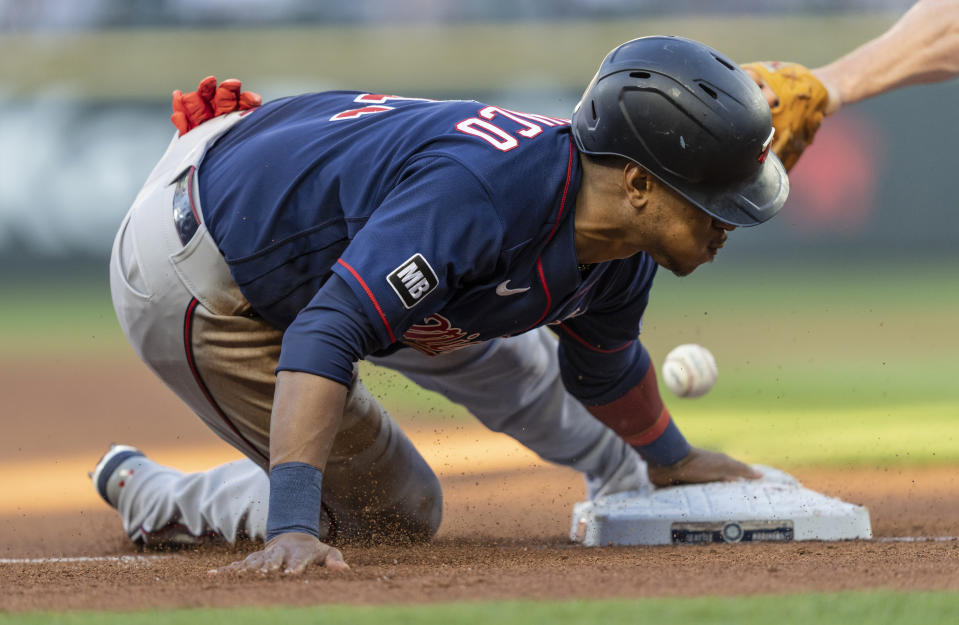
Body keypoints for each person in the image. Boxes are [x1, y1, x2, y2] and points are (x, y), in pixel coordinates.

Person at [94, 0, 959, 575]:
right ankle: (155, 492)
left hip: (308, 198)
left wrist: (670, 458)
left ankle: (631, 478)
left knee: (529, 374)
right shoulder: (483, 200)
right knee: (396, 511)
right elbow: (328, 331)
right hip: (210, 268)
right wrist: (290, 520)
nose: (728, 223)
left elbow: (601, 369)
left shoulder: (612, 234)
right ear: (641, 186)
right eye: (713, 203)